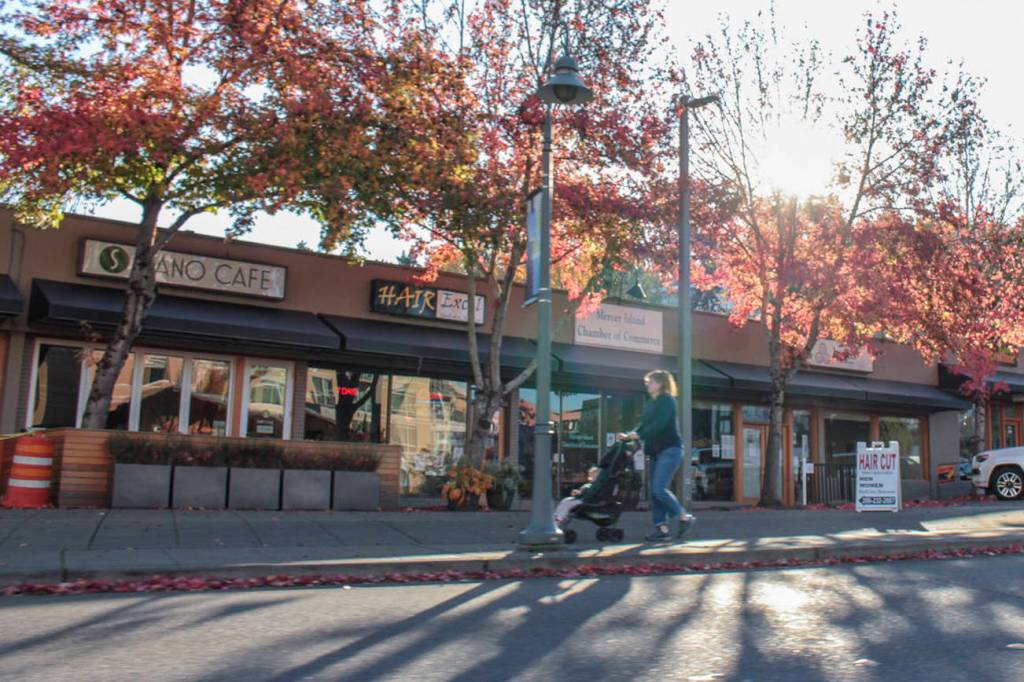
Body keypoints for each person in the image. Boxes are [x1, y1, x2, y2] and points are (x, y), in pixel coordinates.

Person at [619, 369, 696, 542]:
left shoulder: (667, 401)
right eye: (647, 382)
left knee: (659, 488)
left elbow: (660, 425)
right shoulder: (651, 403)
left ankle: (684, 516)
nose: (647, 384)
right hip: (655, 451)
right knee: (655, 494)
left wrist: (639, 435)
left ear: (661, 383)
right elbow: (644, 425)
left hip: (670, 449)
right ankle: (661, 529)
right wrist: (630, 434)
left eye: (651, 381)